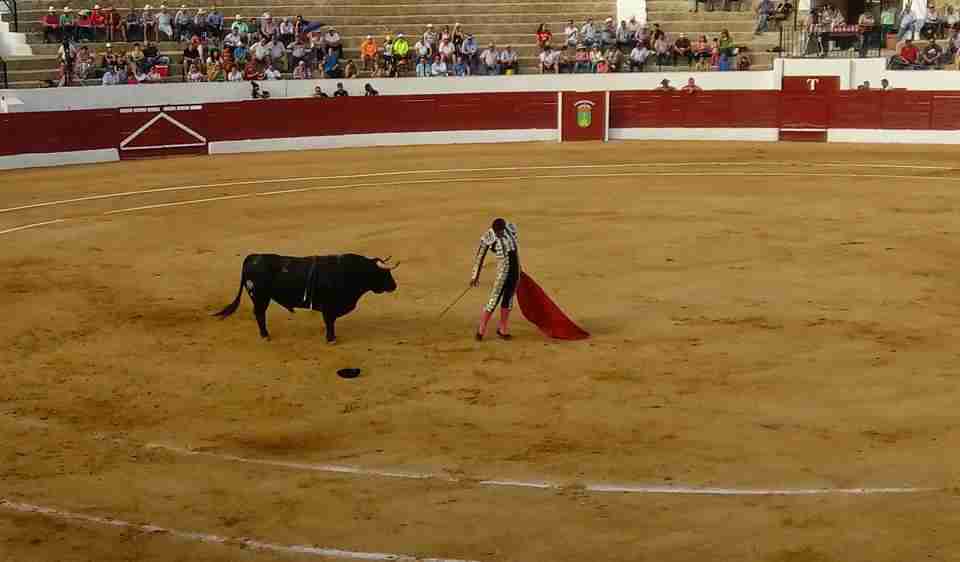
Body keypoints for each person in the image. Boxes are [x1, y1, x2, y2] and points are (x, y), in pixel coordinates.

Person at [469, 218, 520, 341]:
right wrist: (475, 276)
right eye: (498, 232)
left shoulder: (510, 228)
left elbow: (514, 251)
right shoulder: (488, 237)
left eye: (501, 231)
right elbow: (480, 257)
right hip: (502, 272)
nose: (500, 234)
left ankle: (502, 330)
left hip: (515, 271)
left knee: (508, 300)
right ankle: (481, 330)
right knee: (493, 300)